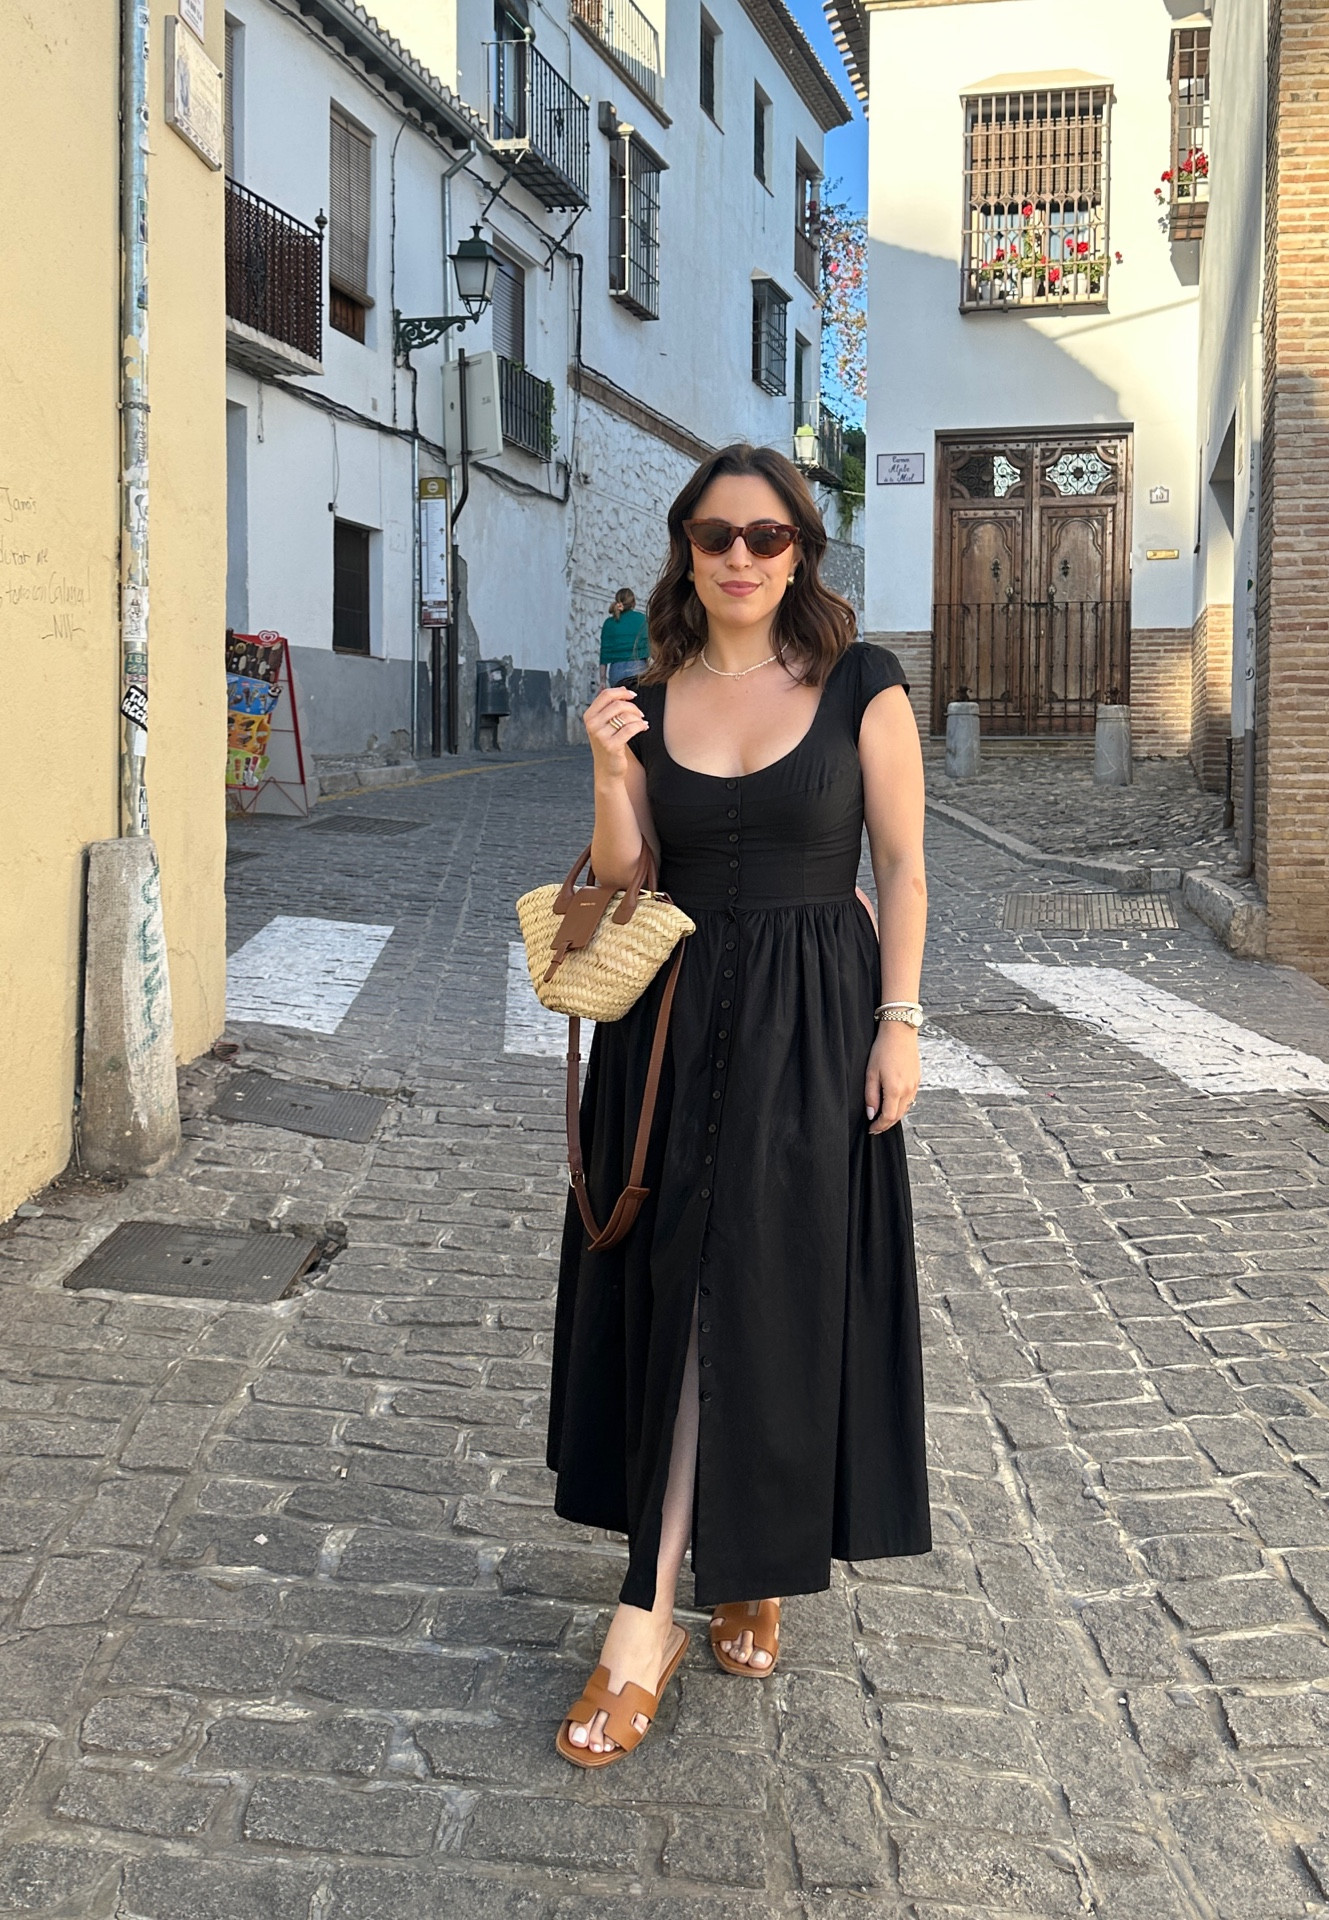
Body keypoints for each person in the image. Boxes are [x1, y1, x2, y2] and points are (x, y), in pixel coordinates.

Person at [548, 442, 931, 1766]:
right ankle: (653, 1605)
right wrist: (610, 776)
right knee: (679, 1288)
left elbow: (904, 868)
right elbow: (626, 879)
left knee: (769, 1294)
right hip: (667, 1029)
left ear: (802, 550)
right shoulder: (649, 699)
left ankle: (737, 1570)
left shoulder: (862, 683)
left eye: (769, 537)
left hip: (812, 1029)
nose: (742, 558)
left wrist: (899, 1021)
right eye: (717, 535)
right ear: (686, 550)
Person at [600, 586, 649, 687]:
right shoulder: (642, 619)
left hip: (616, 670)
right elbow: (650, 647)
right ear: (633, 603)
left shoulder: (609, 623)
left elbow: (604, 654)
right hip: (638, 667)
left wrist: (602, 681)